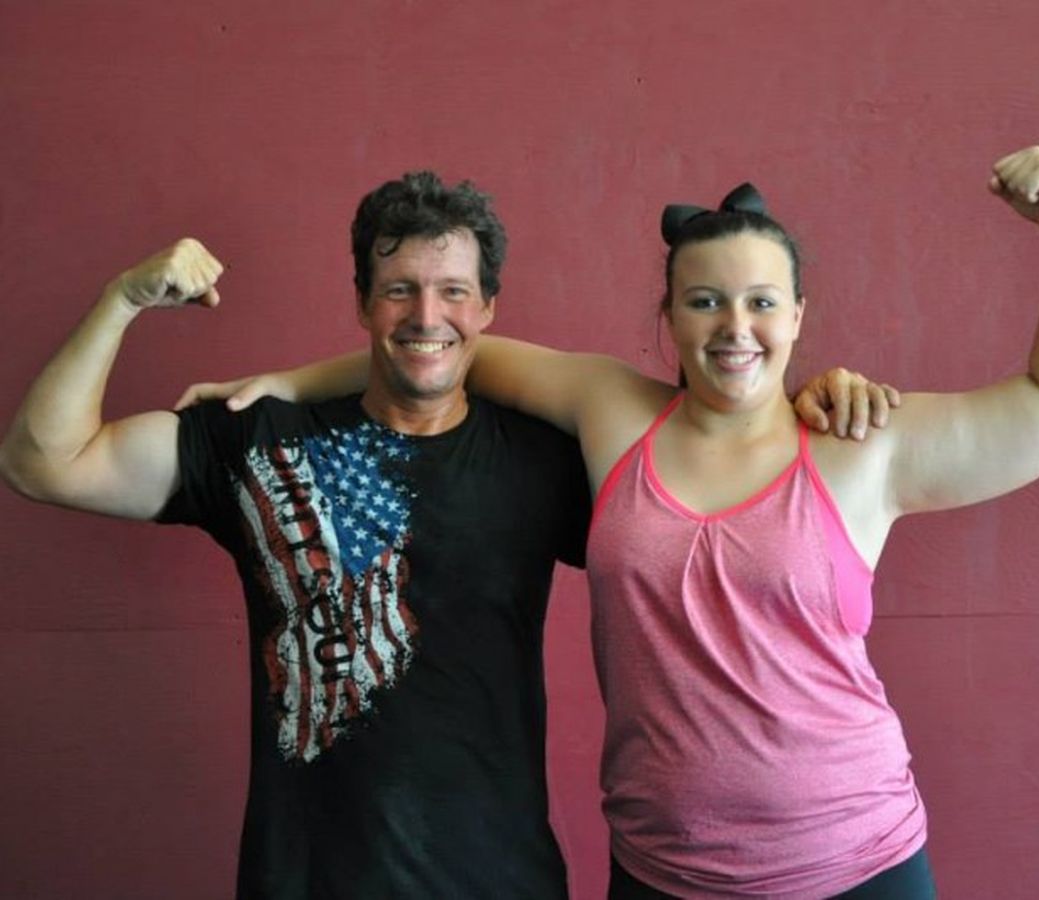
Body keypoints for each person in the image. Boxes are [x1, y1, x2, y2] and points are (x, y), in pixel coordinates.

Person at [207, 146, 1039, 898]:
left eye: (762, 302)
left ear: (798, 316)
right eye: (705, 301)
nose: (735, 327)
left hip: (857, 864)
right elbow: (445, 349)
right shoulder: (615, 413)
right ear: (670, 317)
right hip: (664, 874)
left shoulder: (862, 444)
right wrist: (291, 383)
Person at [0, 171, 892, 899]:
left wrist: (805, 403)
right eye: (399, 290)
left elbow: (714, 468)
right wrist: (122, 301)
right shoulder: (260, 444)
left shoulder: (548, 461)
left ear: (488, 308)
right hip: (303, 879)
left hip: (498, 877)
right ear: (362, 302)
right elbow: (45, 463)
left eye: (453, 291)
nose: (427, 317)